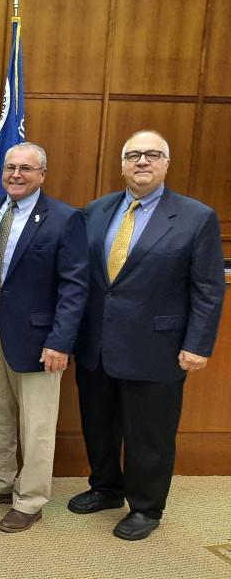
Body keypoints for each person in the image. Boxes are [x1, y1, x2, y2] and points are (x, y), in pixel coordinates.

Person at [70, 129, 225, 540]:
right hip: (96, 345)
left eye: (152, 154)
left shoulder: (196, 216)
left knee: (149, 433)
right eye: (133, 155)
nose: (142, 161)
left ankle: (145, 507)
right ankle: (105, 488)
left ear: (166, 164)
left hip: (157, 347)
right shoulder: (96, 211)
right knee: (98, 424)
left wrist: (197, 344)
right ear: (122, 164)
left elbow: (208, 288)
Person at [0, 142, 88, 532]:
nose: (16, 174)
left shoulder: (64, 219)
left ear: (42, 175)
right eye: (10, 167)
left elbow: (75, 285)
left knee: (36, 424)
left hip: (40, 342)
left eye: (26, 169)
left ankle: (31, 500)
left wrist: (61, 342)